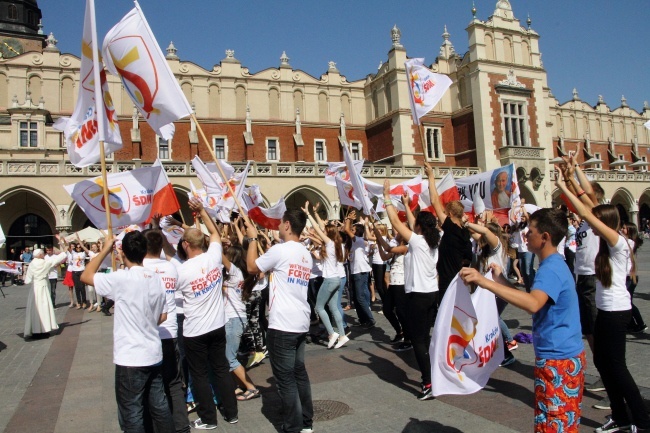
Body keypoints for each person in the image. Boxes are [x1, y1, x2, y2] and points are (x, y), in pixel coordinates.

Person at [460, 208, 585, 432]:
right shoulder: (553, 264)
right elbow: (533, 301)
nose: (525, 235)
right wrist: (500, 280)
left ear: (545, 237)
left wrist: (484, 282)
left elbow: (532, 304)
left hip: (558, 360)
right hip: (562, 355)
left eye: (531, 231)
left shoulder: (551, 269)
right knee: (557, 421)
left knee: (553, 424)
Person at [558, 179, 650, 432]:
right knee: (605, 363)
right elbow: (590, 204)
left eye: (597, 222)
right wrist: (572, 174)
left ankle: (641, 420)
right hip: (608, 310)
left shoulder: (619, 244)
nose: (591, 225)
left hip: (615, 311)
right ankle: (621, 417)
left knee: (616, 366)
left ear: (605, 224)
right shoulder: (611, 243)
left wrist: (562, 186)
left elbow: (587, 210)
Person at [80, 232, 174, 433]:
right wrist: (146, 320)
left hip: (130, 356)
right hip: (153, 352)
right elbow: (163, 317)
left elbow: (86, 275)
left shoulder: (122, 278)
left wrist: (106, 248)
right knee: (159, 406)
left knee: (131, 412)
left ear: (123, 253)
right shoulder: (156, 278)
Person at [246, 209, 314, 433]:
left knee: (285, 379)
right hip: (301, 320)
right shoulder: (305, 253)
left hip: (283, 323)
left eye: (280, 223)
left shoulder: (281, 250)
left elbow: (251, 267)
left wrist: (253, 238)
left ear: (287, 225)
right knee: (299, 373)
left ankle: (293, 427)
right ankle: (306, 422)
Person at [175, 198, 238, 430]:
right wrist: (201, 211)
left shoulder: (181, 271)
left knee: (199, 375)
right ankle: (231, 413)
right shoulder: (213, 256)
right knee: (221, 368)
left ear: (185, 245)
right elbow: (213, 230)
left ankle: (209, 419)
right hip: (217, 325)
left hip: (195, 331)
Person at [383, 179, 441, 401]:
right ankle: (431, 376)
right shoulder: (433, 242)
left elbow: (397, 224)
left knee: (418, 340)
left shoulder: (417, 242)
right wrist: (407, 204)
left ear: (419, 228)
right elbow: (412, 223)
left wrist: (388, 197)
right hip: (431, 295)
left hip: (417, 297)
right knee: (424, 338)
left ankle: (428, 383)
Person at [142, 229, 190, 433]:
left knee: (152, 386)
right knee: (174, 383)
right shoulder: (171, 268)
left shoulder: (140, 269)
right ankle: (181, 426)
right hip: (170, 333)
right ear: (161, 245)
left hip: (150, 335)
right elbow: (174, 257)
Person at [302, 201, 349, 349]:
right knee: (333, 307)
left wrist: (309, 213)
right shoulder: (339, 245)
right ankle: (342, 335)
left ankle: (332, 333)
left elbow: (318, 228)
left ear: (328, 233)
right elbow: (319, 232)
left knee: (319, 307)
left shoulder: (329, 243)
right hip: (337, 279)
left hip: (329, 280)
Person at [426, 163, 472, 301]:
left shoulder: (451, 228)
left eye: (445, 213)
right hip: (459, 278)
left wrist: (431, 177)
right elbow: (467, 257)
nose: (442, 216)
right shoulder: (465, 232)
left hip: (449, 279)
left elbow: (434, 200)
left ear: (450, 214)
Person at [24, 240, 67, 339]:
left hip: (34, 288)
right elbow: (56, 260)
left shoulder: (31, 264)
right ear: (39, 255)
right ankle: (43, 330)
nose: (43, 255)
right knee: (43, 308)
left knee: (34, 309)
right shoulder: (44, 263)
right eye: (42, 254)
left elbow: (27, 280)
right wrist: (64, 251)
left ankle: (34, 330)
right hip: (42, 287)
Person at [343, 211, 375, 328]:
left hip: (360, 271)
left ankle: (370, 319)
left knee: (360, 297)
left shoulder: (359, 240)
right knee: (356, 298)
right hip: (355, 271)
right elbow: (346, 230)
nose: (351, 230)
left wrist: (349, 219)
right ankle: (363, 320)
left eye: (354, 229)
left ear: (357, 232)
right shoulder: (353, 242)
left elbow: (346, 229)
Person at [622, 222, 647, 333]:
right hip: (627, 276)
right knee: (627, 301)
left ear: (630, 231)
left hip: (630, 277)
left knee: (628, 302)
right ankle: (632, 324)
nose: (621, 230)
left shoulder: (630, 242)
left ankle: (640, 324)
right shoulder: (627, 242)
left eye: (624, 228)